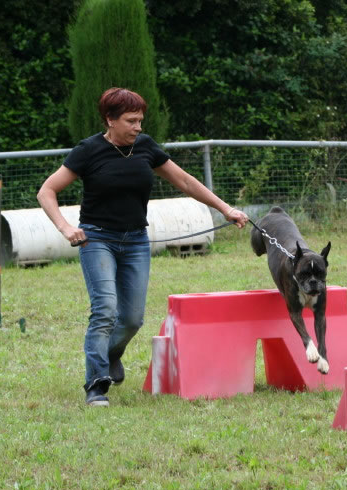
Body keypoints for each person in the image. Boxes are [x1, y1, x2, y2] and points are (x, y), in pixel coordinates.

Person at [37, 87, 248, 407]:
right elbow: (47, 191)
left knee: (133, 318)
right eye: (131, 121)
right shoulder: (88, 150)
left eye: (140, 121)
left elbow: (186, 181)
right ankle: (96, 384)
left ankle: (111, 354)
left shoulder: (146, 147)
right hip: (97, 240)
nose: (138, 127)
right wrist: (67, 228)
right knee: (105, 309)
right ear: (110, 119)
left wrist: (226, 208)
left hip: (136, 240)